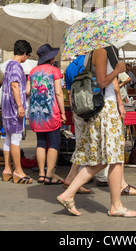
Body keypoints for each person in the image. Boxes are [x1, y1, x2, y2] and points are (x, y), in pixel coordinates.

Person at [56, 45, 136, 217]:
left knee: (101, 160)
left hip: (100, 110)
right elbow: (102, 81)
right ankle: (116, 206)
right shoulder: (100, 51)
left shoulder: (90, 54)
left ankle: (68, 193)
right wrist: (118, 69)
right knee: (114, 158)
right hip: (106, 110)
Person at [26, 43, 66, 185]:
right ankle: (50, 175)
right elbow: (59, 93)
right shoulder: (55, 71)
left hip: (36, 113)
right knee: (54, 143)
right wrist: (63, 112)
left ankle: (41, 174)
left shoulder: (32, 72)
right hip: (51, 112)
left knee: (41, 143)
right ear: (51, 57)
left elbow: (27, 91)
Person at [1, 39, 33, 184]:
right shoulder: (16, 66)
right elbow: (15, 86)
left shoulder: (8, 65)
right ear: (24, 53)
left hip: (7, 108)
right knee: (15, 138)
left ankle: (7, 169)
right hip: (14, 108)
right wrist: (20, 106)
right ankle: (18, 171)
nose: (27, 58)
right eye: (28, 55)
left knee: (8, 138)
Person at [62, 54, 92, 193]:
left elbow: (69, 92)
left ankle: (76, 177)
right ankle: (80, 177)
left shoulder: (69, 68)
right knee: (93, 143)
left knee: (80, 142)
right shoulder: (90, 63)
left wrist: (74, 108)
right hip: (91, 107)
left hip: (77, 108)